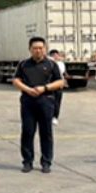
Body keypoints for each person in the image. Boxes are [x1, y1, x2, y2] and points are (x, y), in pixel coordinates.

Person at [12, 37, 66, 174]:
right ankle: (27, 162)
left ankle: (46, 162)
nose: (38, 51)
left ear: (45, 49)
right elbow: (16, 80)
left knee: (46, 133)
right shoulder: (23, 64)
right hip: (28, 102)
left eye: (41, 48)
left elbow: (60, 82)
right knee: (27, 132)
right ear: (30, 49)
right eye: (35, 48)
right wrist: (27, 89)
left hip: (46, 102)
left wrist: (45, 88)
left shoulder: (51, 64)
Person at [48, 49, 67, 126]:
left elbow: (61, 71)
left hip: (58, 85)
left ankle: (55, 117)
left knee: (57, 102)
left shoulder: (60, 64)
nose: (55, 56)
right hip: (49, 85)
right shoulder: (47, 63)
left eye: (57, 55)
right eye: (53, 55)